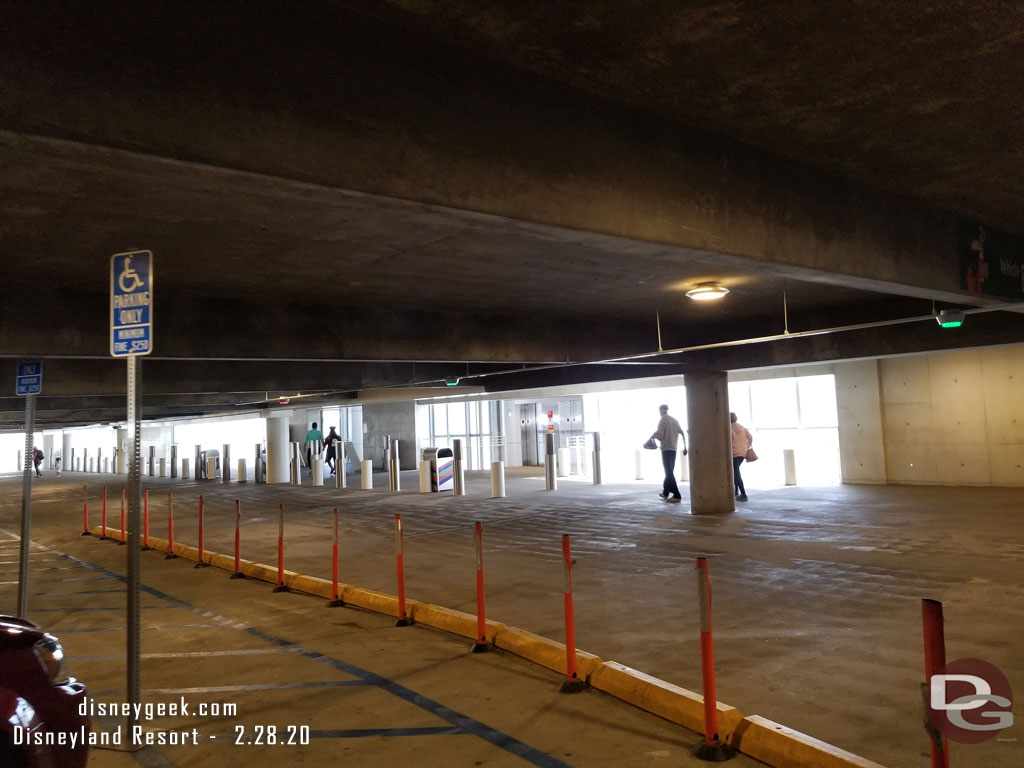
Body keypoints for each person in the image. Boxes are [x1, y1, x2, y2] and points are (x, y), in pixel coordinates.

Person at [650, 404, 687, 503]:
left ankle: (677, 494)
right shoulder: (675, 420)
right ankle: (666, 492)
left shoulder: (662, 420)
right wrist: (685, 447)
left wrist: (654, 435)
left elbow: (661, 436)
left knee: (669, 472)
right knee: (669, 471)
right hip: (673, 449)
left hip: (666, 449)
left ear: (660, 411)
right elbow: (682, 432)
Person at [730, 412, 753, 501]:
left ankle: (743, 494)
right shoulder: (742, 427)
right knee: (735, 471)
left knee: (736, 472)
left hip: (733, 453)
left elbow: (728, 441)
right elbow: (750, 437)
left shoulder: (729, 428)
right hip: (742, 452)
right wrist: (746, 445)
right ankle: (736, 491)